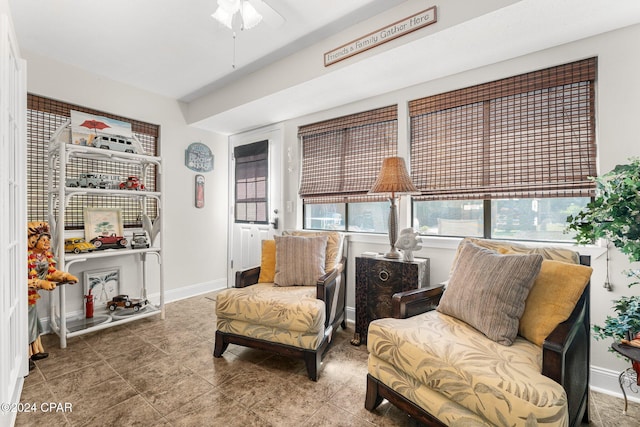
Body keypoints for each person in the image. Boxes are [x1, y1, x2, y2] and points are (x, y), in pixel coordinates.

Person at [27, 221, 78, 370]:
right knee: (26, 325)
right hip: (25, 298)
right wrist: (41, 284)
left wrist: (65, 276)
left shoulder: (43, 256)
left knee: (34, 324)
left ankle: (34, 351)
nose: (46, 242)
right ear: (33, 240)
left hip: (32, 300)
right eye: (43, 239)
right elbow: (24, 280)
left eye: (47, 239)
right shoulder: (25, 257)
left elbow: (51, 272)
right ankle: (25, 357)